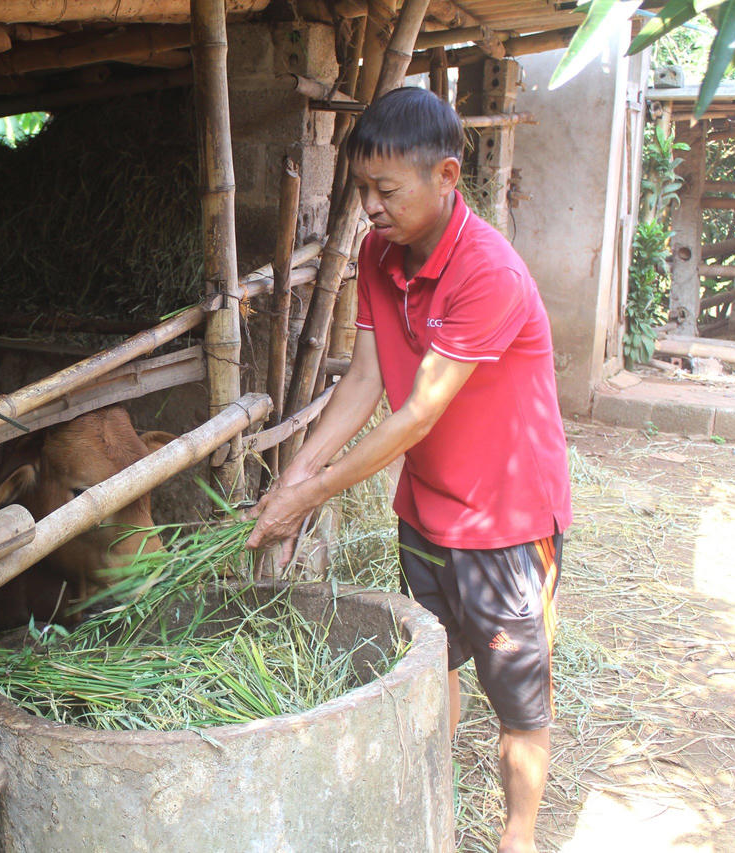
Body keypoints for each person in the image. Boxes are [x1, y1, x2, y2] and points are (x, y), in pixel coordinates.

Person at [246, 86, 572, 853]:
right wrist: (296, 478)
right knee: (433, 663)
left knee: (520, 706)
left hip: (505, 524)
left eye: (384, 190)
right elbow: (363, 379)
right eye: (362, 188)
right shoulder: (377, 253)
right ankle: (435, 811)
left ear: (447, 177)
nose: (369, 207)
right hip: (424, 507)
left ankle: (517, 837)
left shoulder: (486, 272)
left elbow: (417, 411)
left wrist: (314, 494)